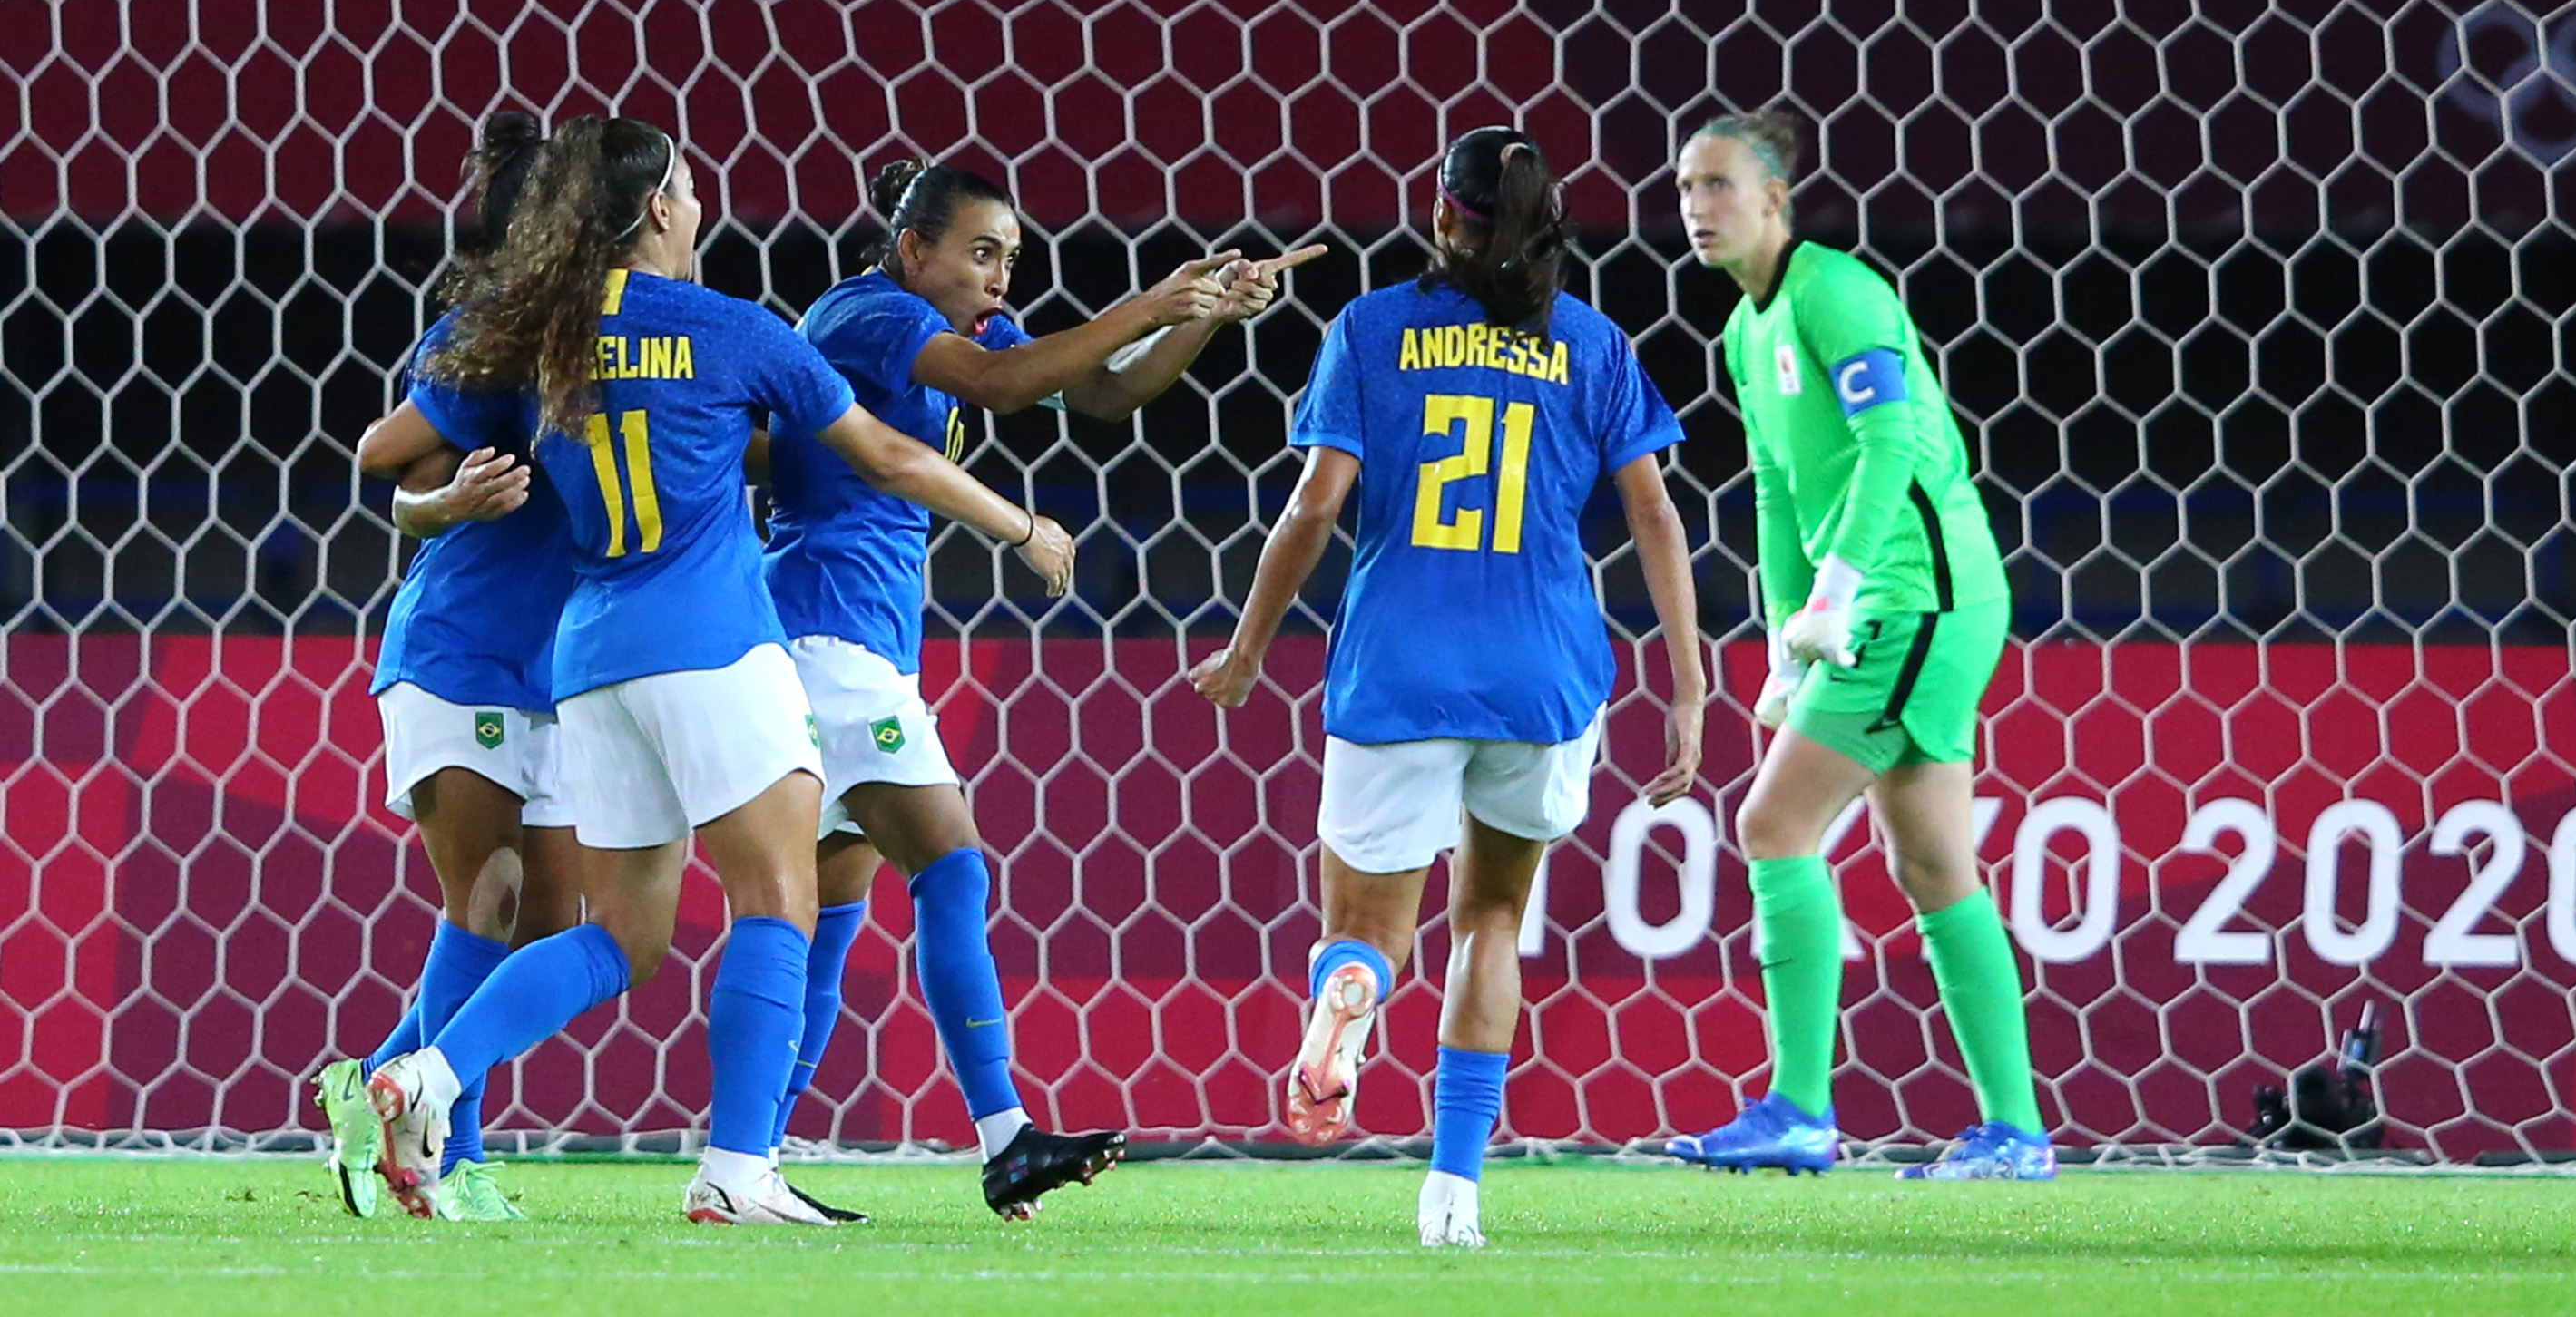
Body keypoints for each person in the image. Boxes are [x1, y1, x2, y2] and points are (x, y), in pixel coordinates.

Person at [356, 116, 1074, 1225]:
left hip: (590, 658)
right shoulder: (731, 328)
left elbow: (393, 453)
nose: (700, 203)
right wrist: (1018, 523)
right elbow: (881, 452)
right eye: (688, 188)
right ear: (656, 211)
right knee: (777, 895)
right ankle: (739, 1166)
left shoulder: (535, 338)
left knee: (617, 935)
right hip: (715, 642)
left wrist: (435, 502)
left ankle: (426, 1076)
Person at [760, 156, 1320, 1218]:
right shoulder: (866, 314)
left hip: (846, 639)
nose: (1000, 276)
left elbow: (1103, 389)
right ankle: (1006, 1133)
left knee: (831, 916)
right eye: (980, 253)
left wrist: (1199, 315)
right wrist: (1153, 294)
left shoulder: (958, 330)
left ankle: (753, 1154)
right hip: (823, 633)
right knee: (953, 866)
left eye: (1011, 257)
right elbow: (1006, 387)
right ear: (913, 246)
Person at [1188, 128, 1708, 1248]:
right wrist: (1691, 682)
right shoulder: (1595, 344)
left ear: (1442, 214)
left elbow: (1315, 506)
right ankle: (1453, 1192)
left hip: (1399, 666)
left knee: (1368, 924)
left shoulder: (1369, 328)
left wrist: (1244, 646)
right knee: (1490, 917)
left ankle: (1351, 991)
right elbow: (1655, 512)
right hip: (1543, 673)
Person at [1663, 109, 2051, 1182]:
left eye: (1720, 185)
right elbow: (1781, 492)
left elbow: (1890, 442)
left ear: (1777, 199)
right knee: (1932, 862)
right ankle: (2016, 1132)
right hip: (1888, 605)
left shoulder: (1838, 293)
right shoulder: (1747, 330)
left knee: (1770, 822)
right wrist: (1790, 648)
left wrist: (1841, 594)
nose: (1698, 206)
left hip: (1921, 595)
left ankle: (1798, 1108)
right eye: (1687, 186)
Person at [314, 112, 579, 1224]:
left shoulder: (615, 333)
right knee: (494, 893)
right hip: (462, 648)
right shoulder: (495, 334)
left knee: (557, 929)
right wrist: (454, 499)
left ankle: (373, 1081)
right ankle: (447, 1157)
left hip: (561, 667)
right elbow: (385, 466)